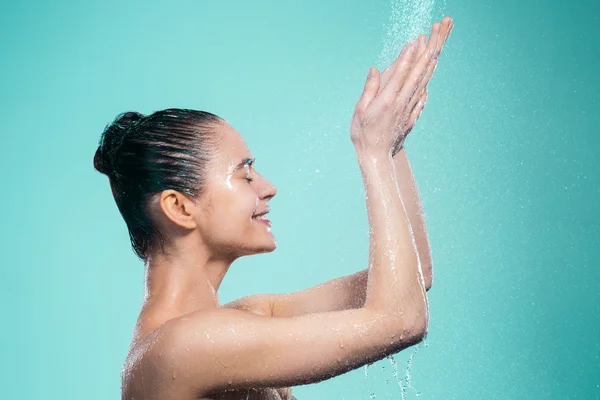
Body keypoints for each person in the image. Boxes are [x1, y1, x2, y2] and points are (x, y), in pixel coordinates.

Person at [93, 17, 453, 400]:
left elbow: (415, 276)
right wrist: (374, 152)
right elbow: (400, 320)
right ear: (180, 207)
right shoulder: (178, 348)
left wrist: (393, 140)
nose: (269, 188)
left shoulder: (241, 320)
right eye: (245, 174)